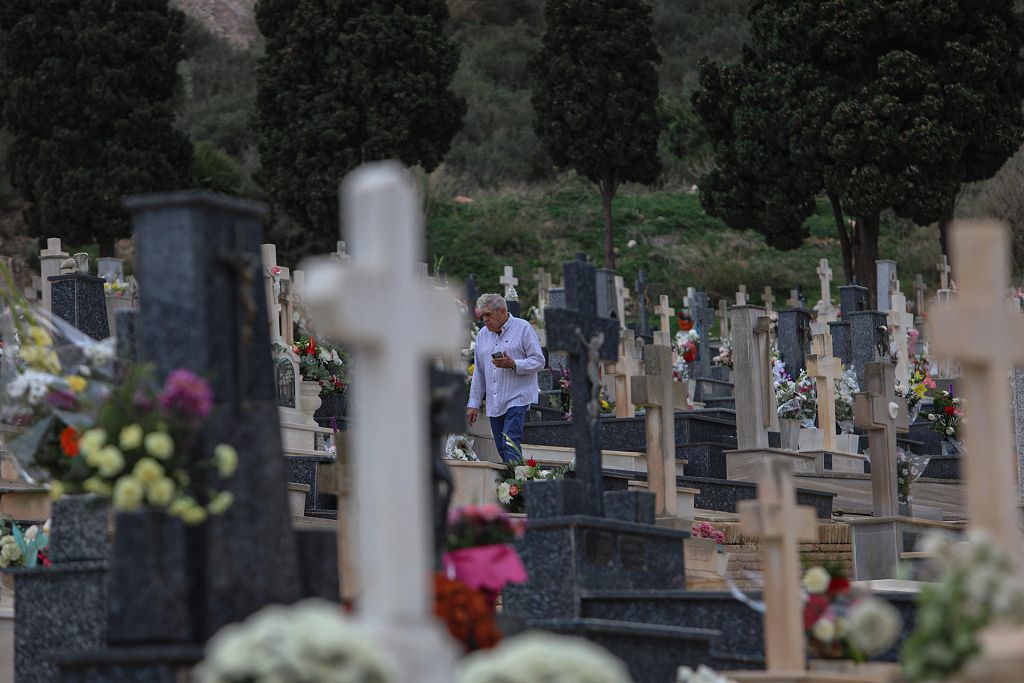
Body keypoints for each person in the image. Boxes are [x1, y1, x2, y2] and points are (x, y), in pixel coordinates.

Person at [466, 293, 545, 463]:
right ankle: (519, 482)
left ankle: (517, 484)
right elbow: (479, 373)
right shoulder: (482, 335)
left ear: (502, 312)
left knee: (510, 442)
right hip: (495, 400)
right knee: (502, 447)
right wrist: (473, 403)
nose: (485, 319)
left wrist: (513, 364)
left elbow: (539, 361)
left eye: (488, 315)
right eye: (483, 315)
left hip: (518, 396)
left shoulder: (523, 328)